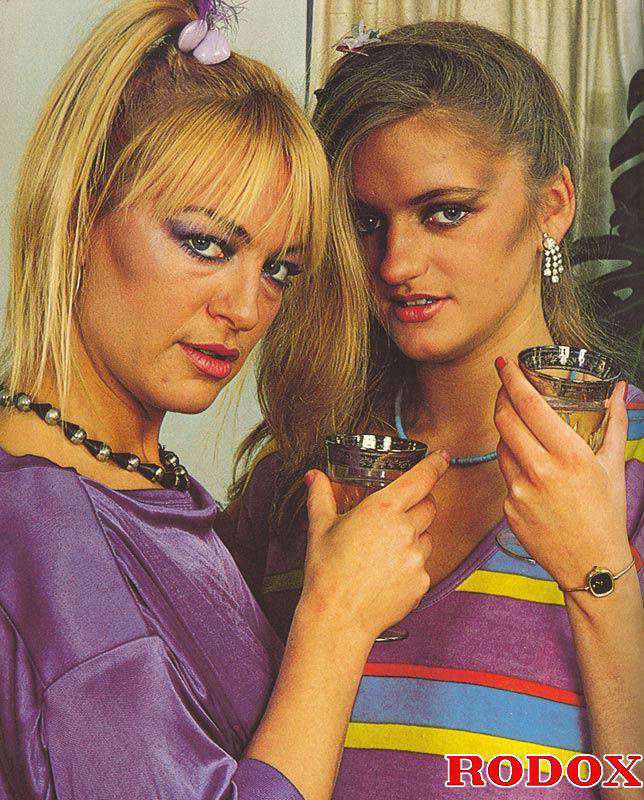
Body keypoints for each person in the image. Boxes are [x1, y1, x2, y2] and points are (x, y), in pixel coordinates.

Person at [0, 3, 451, 799]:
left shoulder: (137, 491)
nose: (246, 310)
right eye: (205, 243)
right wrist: (336, 621)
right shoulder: (47, 535)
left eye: (279, 269)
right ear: (77, 216)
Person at [223, 20, 644, 799]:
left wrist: (600, 579)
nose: (397, 263)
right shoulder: (300, 482)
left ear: (552, 205)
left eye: (445, 211)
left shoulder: (632, 475)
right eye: (367, 221)